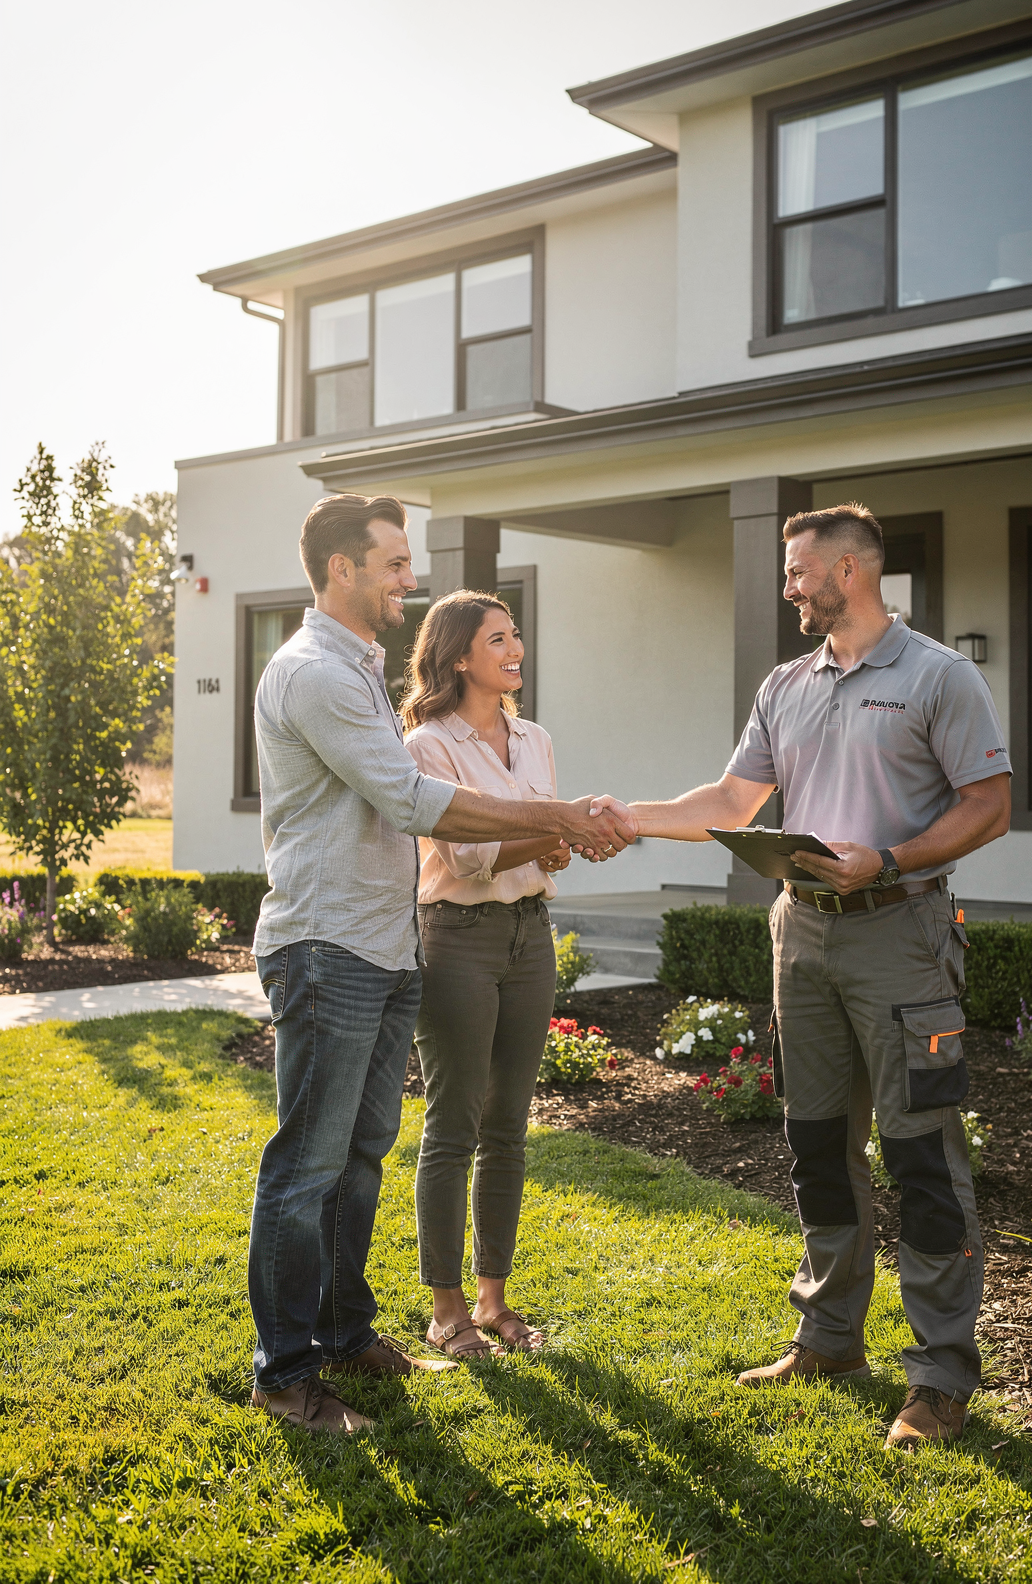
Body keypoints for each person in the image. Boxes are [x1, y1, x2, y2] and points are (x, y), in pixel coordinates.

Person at [621, 503, 1011, 1449]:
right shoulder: (786, 684)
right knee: (817, 1144)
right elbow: (732, 799)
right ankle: (831, 1339)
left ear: (849, 570)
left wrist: (890, 858)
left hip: (901, 933)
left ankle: (940, 1377)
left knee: (921, 1155)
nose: (788, 585)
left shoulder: (938, 676)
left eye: (799, 571)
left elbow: (990, 804)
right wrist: (625, 817)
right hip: (800, 934)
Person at [247, 493, 634, 1435]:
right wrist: (555, 815)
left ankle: (345, 1336)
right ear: (341, 568)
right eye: (392, 562)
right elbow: (415, 801)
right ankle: (285, 1374)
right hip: (327, 945)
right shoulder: (315, 674)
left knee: (360, 1158)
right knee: (307, 1166)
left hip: (384, 946)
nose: (409, 578)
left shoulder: (358, 671)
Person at [401, 591, 571, 1361]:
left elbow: (543, 847)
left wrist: (557, 839)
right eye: (496, 639)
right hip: (457, 940)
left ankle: (492, 1300)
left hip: (530, 935)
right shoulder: (427, 746)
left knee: (508, 1127)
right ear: (460, 656)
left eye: (515, 635)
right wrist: (557, 828)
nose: (515, 649)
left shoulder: (535, 739)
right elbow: (467, 857)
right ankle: (446, 1313)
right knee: (454, 1125)